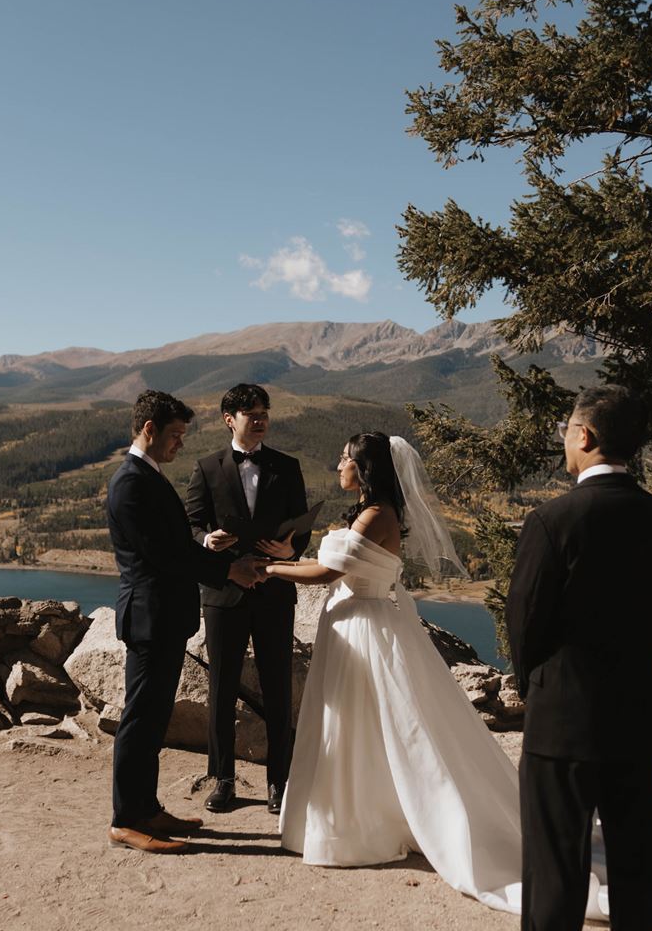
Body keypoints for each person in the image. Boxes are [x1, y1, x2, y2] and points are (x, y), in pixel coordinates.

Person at [493, 389, 652, 931]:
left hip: (562, 715)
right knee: (634, 856)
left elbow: (525, 620)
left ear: (584, 436)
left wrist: (534, 684)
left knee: (557, 858)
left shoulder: (554, 519)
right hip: (635, 708)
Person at [264, 430, 530, 903]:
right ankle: (369, 816)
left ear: (364, 468)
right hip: (354, 623)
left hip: (363, 626)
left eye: (345, 459)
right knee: (357, 724)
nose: (339, 466)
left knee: (355, 724)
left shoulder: (374, 515)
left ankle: (358, 827)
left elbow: (329, 573)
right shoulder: (374, 513)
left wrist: (269, 570)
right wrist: (288, 558)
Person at [104, 390, 265, 853]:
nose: (180, 444)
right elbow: (165, 554)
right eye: (174, 435)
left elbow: (175, 548)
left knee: (154, 719)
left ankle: (146, 808)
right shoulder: (131, 482)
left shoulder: (148, 476)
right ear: (149, 430)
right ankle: (125, 819)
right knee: (139, 719)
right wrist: (228, 569)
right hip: (149, 617)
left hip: (165, 618)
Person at [183, 383, 310, 814]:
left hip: (275, 589)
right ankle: (223, 780)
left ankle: (280, 782)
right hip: (223, 594)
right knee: (219, 690)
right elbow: (191, 525)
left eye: (264, 413)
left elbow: (302, 528)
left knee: (278, 688)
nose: (260, 419)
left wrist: (292, 551)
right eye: (251, 413)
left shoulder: (288, 467)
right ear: (228, 419)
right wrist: (207, 540)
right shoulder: (205, 467)